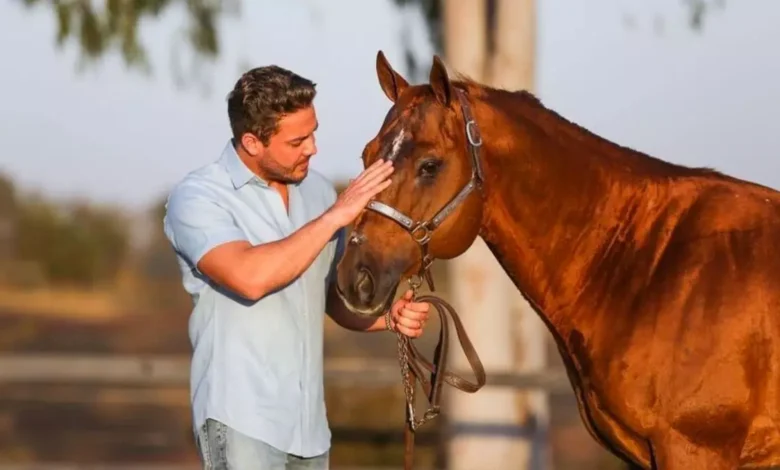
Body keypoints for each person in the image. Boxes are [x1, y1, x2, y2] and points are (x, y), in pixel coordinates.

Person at [162, 64, 431, 470]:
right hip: (240, 422)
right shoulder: (199, 197)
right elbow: (249, 277)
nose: (313, 149)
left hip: (309, 431)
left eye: (314, 132)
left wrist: (386, 319)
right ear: (252, 142)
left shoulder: (319, 192)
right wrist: (334, 218)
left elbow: (327, 299)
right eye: (297, 141)